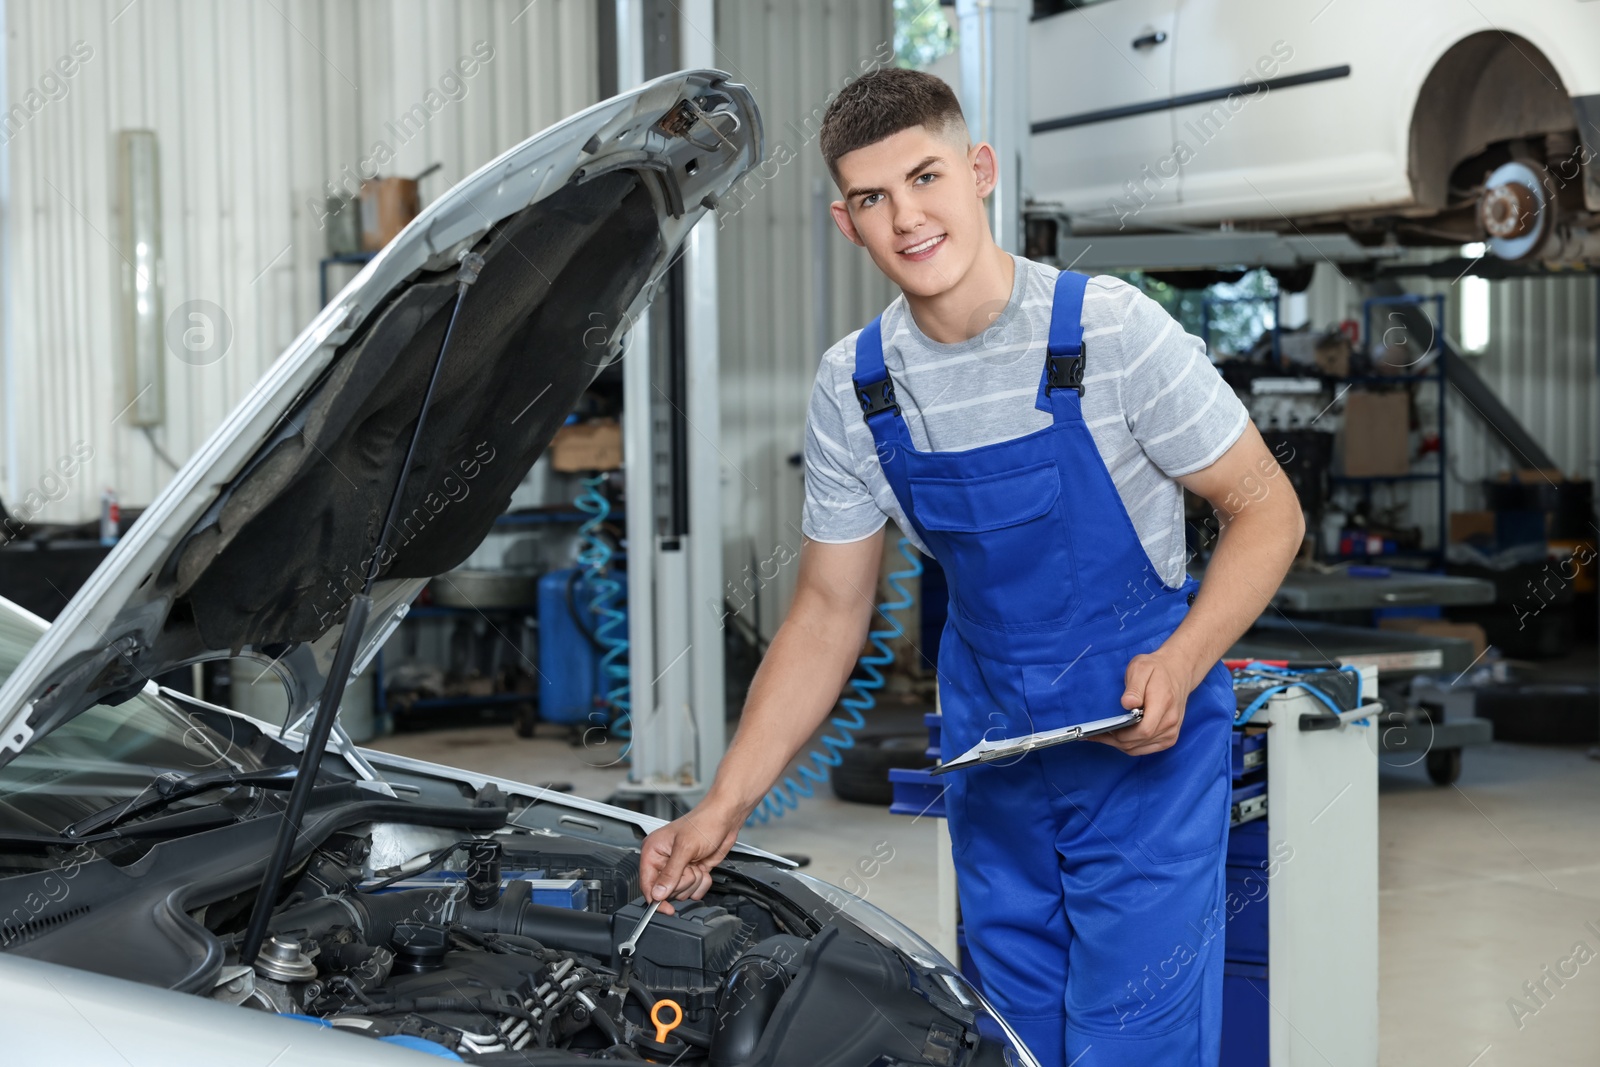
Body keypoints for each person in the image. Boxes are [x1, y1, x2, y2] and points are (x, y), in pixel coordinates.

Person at [638, 67, 1303, 1066]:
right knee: (1008, 1037)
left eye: (925, 176)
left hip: (1144, 752)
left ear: (979, 171)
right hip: (996, 757)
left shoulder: (1109, 331)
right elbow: (826, 608)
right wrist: (725, 800)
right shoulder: (855, 386)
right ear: (844, 219)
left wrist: (1183, 658)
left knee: (1136, 1040)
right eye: (872, 197)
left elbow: (1266, 510)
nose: (906, 216)